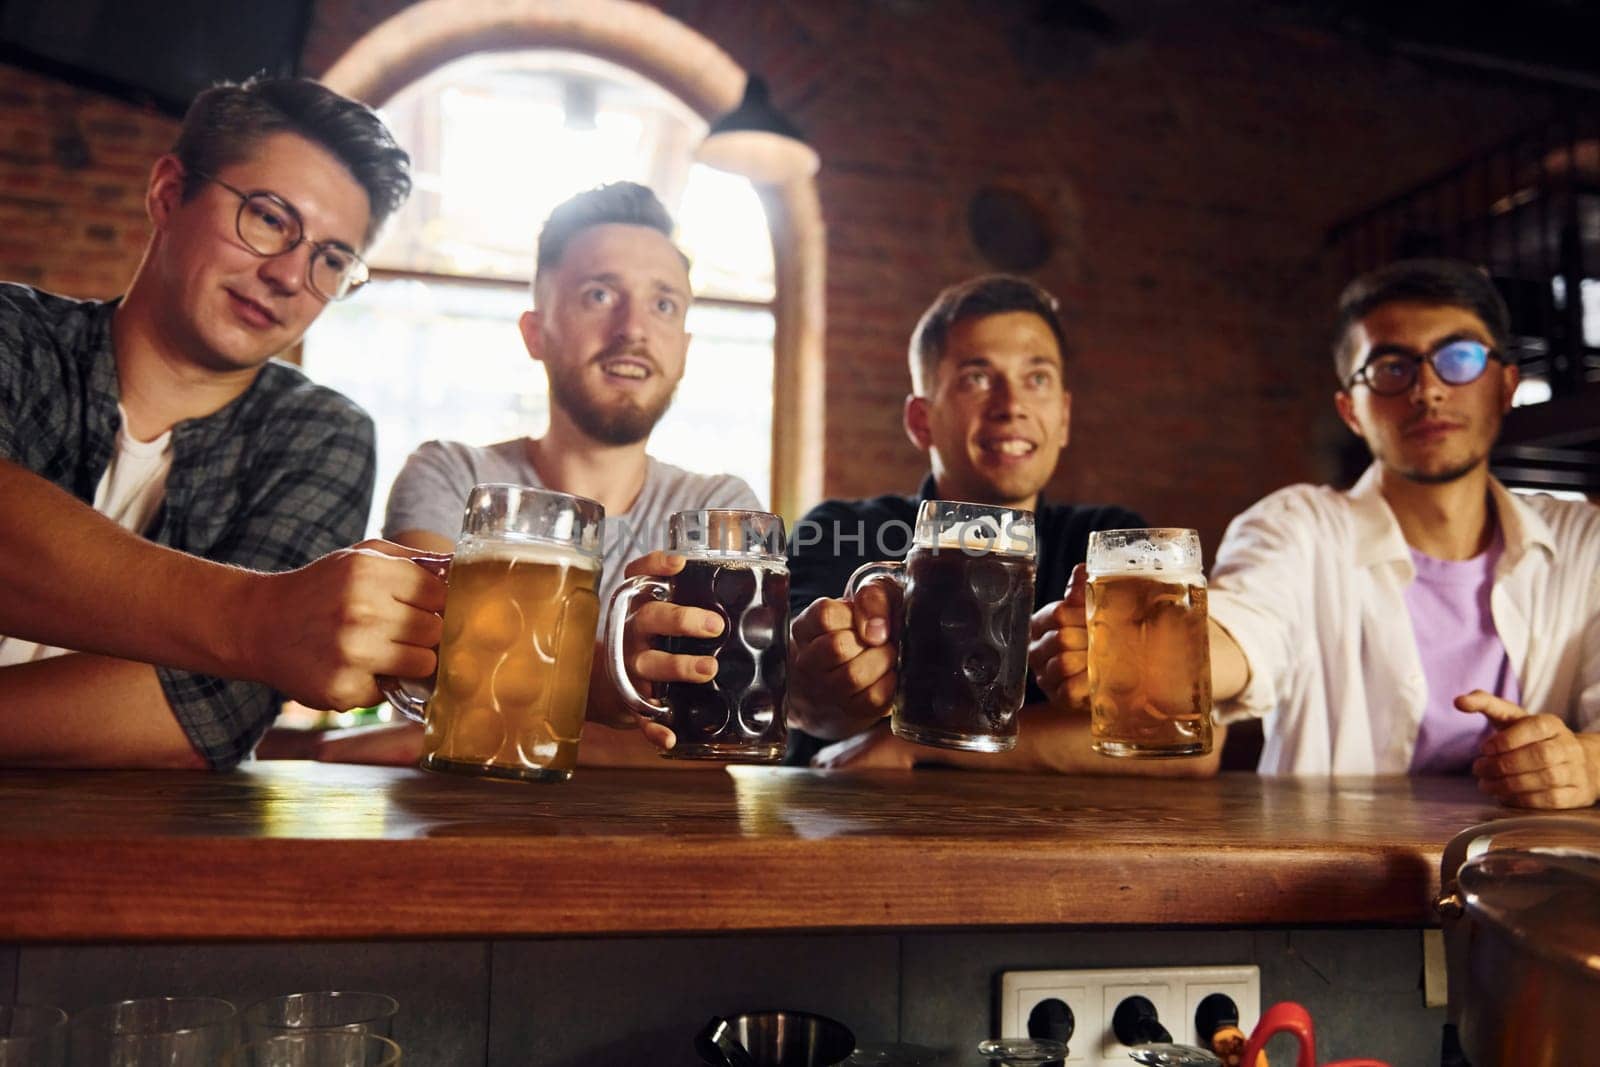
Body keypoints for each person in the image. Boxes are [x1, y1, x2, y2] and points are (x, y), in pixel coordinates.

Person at [0, 77, 447, 770]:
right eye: (270, 218)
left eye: (331, 259)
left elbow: (206, 716)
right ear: (169, 194)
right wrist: (260, 620)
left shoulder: (321, 433)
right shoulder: (15, 333)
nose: (293, 276)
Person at [1041, 258, 1600, 808]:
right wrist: (1140, 651)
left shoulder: (1585, 541)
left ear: (1505, 385)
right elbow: (1246, 631)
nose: (1427, 390)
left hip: (1529, 881)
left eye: (1459, 358)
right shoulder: (1297, 527)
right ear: (1350, 410)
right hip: (1331, 888)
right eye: (1391, 368)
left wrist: (1585, 762)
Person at [382, 182, 760, 763]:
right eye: (600, 294)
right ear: (535, 333)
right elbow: (434, 669)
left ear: (684, 347)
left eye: (664, 305)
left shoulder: (719, 503)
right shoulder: (451, 473)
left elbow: (712, 746)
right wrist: (618, 713)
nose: (633, 329)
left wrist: (492, 716)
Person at [785, 273, 1215, 775]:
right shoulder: (842, 531)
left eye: (1037, 379)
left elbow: (1190, 741)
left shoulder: (1111, 546)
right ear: (921, 421)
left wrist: (917, 746)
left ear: (1064, 418)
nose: (1012, 406)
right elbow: (795, 699)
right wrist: (831, 681)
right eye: (977, 378)